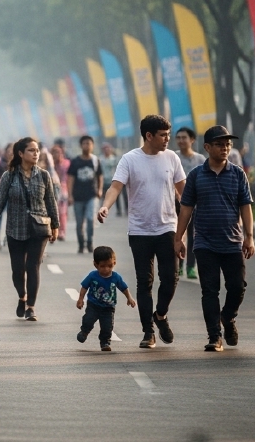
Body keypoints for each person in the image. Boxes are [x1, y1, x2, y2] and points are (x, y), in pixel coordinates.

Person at [98, 115, 186, 349]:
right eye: (163, 135)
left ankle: (161, 315)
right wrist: (106, 206)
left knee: (171, 278)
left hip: (168, 227)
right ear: (149, 136)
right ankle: (148, 331)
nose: (168, 139)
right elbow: (115, 186)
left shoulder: (172, 158)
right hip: (140, 231)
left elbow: (183, 193)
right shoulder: (130, 159)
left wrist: (186, 229)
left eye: (169, 134)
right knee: (144, 282)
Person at [175, 125, 255, 352]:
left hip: (233, 242)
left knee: (237, 287)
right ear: (207, 147)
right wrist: (179, 238)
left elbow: (245, 207)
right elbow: (186, 208)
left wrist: (249, 237)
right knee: (209, 290)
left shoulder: (238, 173)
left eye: (228, 144)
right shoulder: (196, 175)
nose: (225, 147)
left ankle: (227, 318)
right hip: (204, 243)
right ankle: (214, 336)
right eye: (220, 144)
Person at [0, 137, 59, 324]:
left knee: (33, 266)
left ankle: (31, 307)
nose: (36, 153)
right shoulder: (8, 176)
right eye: (31, 150)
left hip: (39, 228)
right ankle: (22, 296)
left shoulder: (43, 175)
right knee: (18, 269)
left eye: (37, 150)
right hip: (15, 229)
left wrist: (55, 226)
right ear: (20, 153)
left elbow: (51, 202)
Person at [75, 246, 136, 352]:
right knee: (88, 320)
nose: (106, 269)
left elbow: (124, 288)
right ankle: (85, 331)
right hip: (93, 305)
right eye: (102, 266)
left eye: (110, 265)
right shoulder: (93, 276)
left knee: (107, 327)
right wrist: (80, 299)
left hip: (108, 308)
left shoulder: (116, 277)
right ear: (95, 265)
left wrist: (129, 298)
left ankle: (105, 342)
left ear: (114, 263)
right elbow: (84, 287)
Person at [174, 127, 206, 279]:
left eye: (184, 137)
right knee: (177, 235)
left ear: (192, 140)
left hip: (195, 204)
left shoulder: (200, 160)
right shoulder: (172, 157)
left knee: (193, 235)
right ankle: (178, 265)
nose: (181, 140)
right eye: (178, 138)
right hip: (174, 203)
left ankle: (191, 267)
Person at [67, 135, 103, 254]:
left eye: (89, 143)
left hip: (91, 195)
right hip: (78, 196)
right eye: (85, 143)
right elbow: (70, 178)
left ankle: (90, 242)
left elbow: (99, 176)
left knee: (90, 219)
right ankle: (81, 244)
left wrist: (100, 189)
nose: (87, 146)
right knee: (79, 223)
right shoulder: (75, 161)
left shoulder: (95, 160)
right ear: (81, 145)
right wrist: (70, 195)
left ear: (92, 146)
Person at [50, 141, 70, 241]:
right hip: (51, 190)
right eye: (54, 152)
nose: (56, 155)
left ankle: (62, 231)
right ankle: (53, 230)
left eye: (58, 152)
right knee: (53, 211)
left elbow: (69, 178)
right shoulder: (49, 165)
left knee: (62, 212)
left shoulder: (66, 164)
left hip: (63, 190)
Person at [101, 144, 125, 216]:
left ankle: (119, 210)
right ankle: (103, 210)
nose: (107, 150)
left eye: (108, 149)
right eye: (105, 149)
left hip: (114, 180)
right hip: (104, 180)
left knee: (116, 196)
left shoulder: (114, 159)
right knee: (104, 196)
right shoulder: (101, 159)